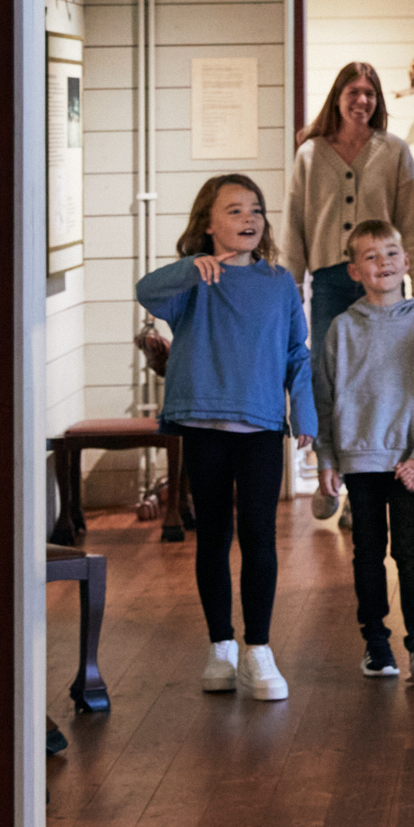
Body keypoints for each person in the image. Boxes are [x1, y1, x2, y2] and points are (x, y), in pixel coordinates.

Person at [136, 173, 317, 702]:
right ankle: (221, 646)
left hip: (260, 425)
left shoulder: (279, 281)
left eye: (256, 210)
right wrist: (190, 267)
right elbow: (146, 291)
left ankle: (258, 650)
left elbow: (296, 353)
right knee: (213, 536)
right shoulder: (192, 279)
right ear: (208, 225)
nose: (250, 219)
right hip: (200, 422)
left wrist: (304, 412)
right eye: (235, 211)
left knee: (260, 536)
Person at [282, 61, 414, 521]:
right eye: (354, 91)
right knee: (329, 378)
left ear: (378, 100)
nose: (362, 100)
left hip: (386, 282)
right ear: (337, 97)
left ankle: (361, 490)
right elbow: (294, 221)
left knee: (382, 383)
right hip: (330, 279)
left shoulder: (394, 151)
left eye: (370, 92)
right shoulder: (310, 154)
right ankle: (331, 469)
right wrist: (288, 284)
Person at [313, 220, 414, 684]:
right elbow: (326, 398)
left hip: (406, 462)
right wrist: (327, 459)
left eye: (390, 254)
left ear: (406, 262)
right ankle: (376, 643)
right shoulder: (341, 329)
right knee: (367, 552)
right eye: (370, 257)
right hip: (358, 459)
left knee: (412, 551)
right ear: (354, 271)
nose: (383, 264)